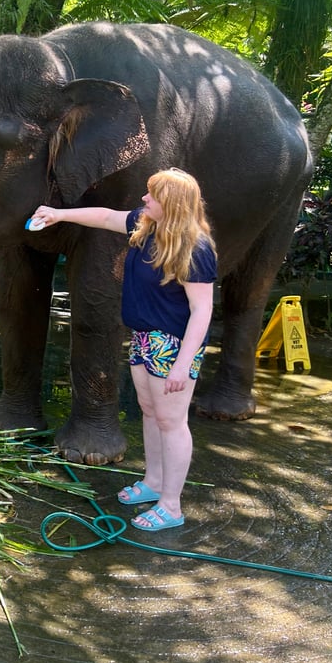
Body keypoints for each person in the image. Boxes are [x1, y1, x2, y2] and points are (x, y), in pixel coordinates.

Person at [28, 168, 217, 532]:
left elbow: (202, 310)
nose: (144, 200)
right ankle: (154, 482)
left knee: (172, 422)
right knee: (149, 412)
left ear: (172, 204)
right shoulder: (146, 226)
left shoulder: (195, 248)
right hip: (145, 337)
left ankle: (171, 505)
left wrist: (181, 364)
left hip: (173, 345)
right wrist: (58, 214)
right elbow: (104, 216)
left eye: (152, 195)